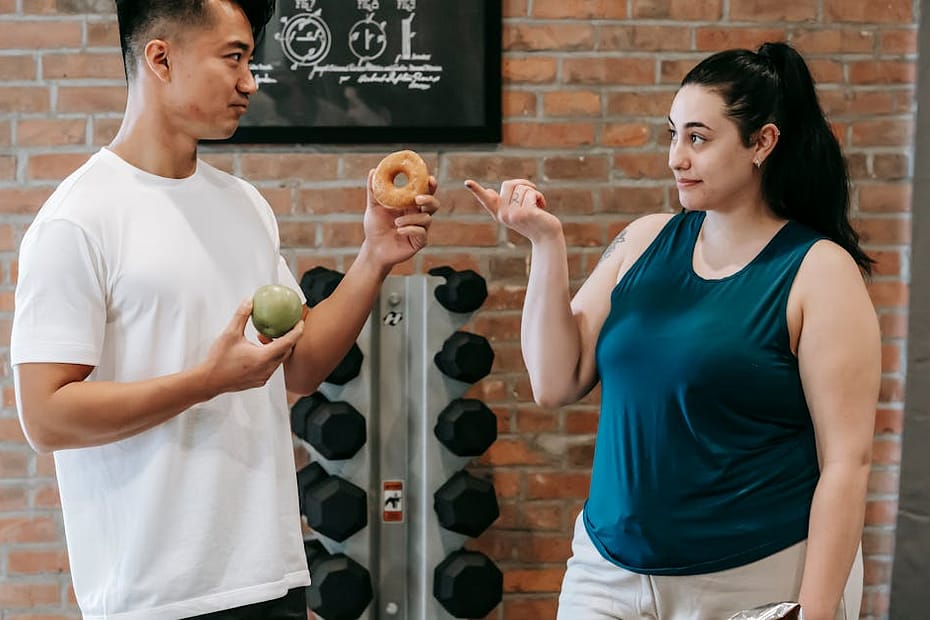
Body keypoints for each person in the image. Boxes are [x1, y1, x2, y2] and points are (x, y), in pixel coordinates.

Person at [10, 0, 439, 618]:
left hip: (271, 578)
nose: (251, 81)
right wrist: (206, 382)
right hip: (155, 598)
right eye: (234, 57)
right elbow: (46, 416)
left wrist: (373, 257)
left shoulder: (244, 206)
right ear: (160, 58)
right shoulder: (77, 219)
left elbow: (301, 364)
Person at [467, 41, 880, 620]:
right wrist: (544, 242)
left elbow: (846, 462)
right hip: (607, 569)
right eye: (673, 134)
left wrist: (813, 612)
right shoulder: (644, 241)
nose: (675, 158)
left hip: (751, 579)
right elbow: (554, 381)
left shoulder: (819, 271)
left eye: (698, 138)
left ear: (761, 142)